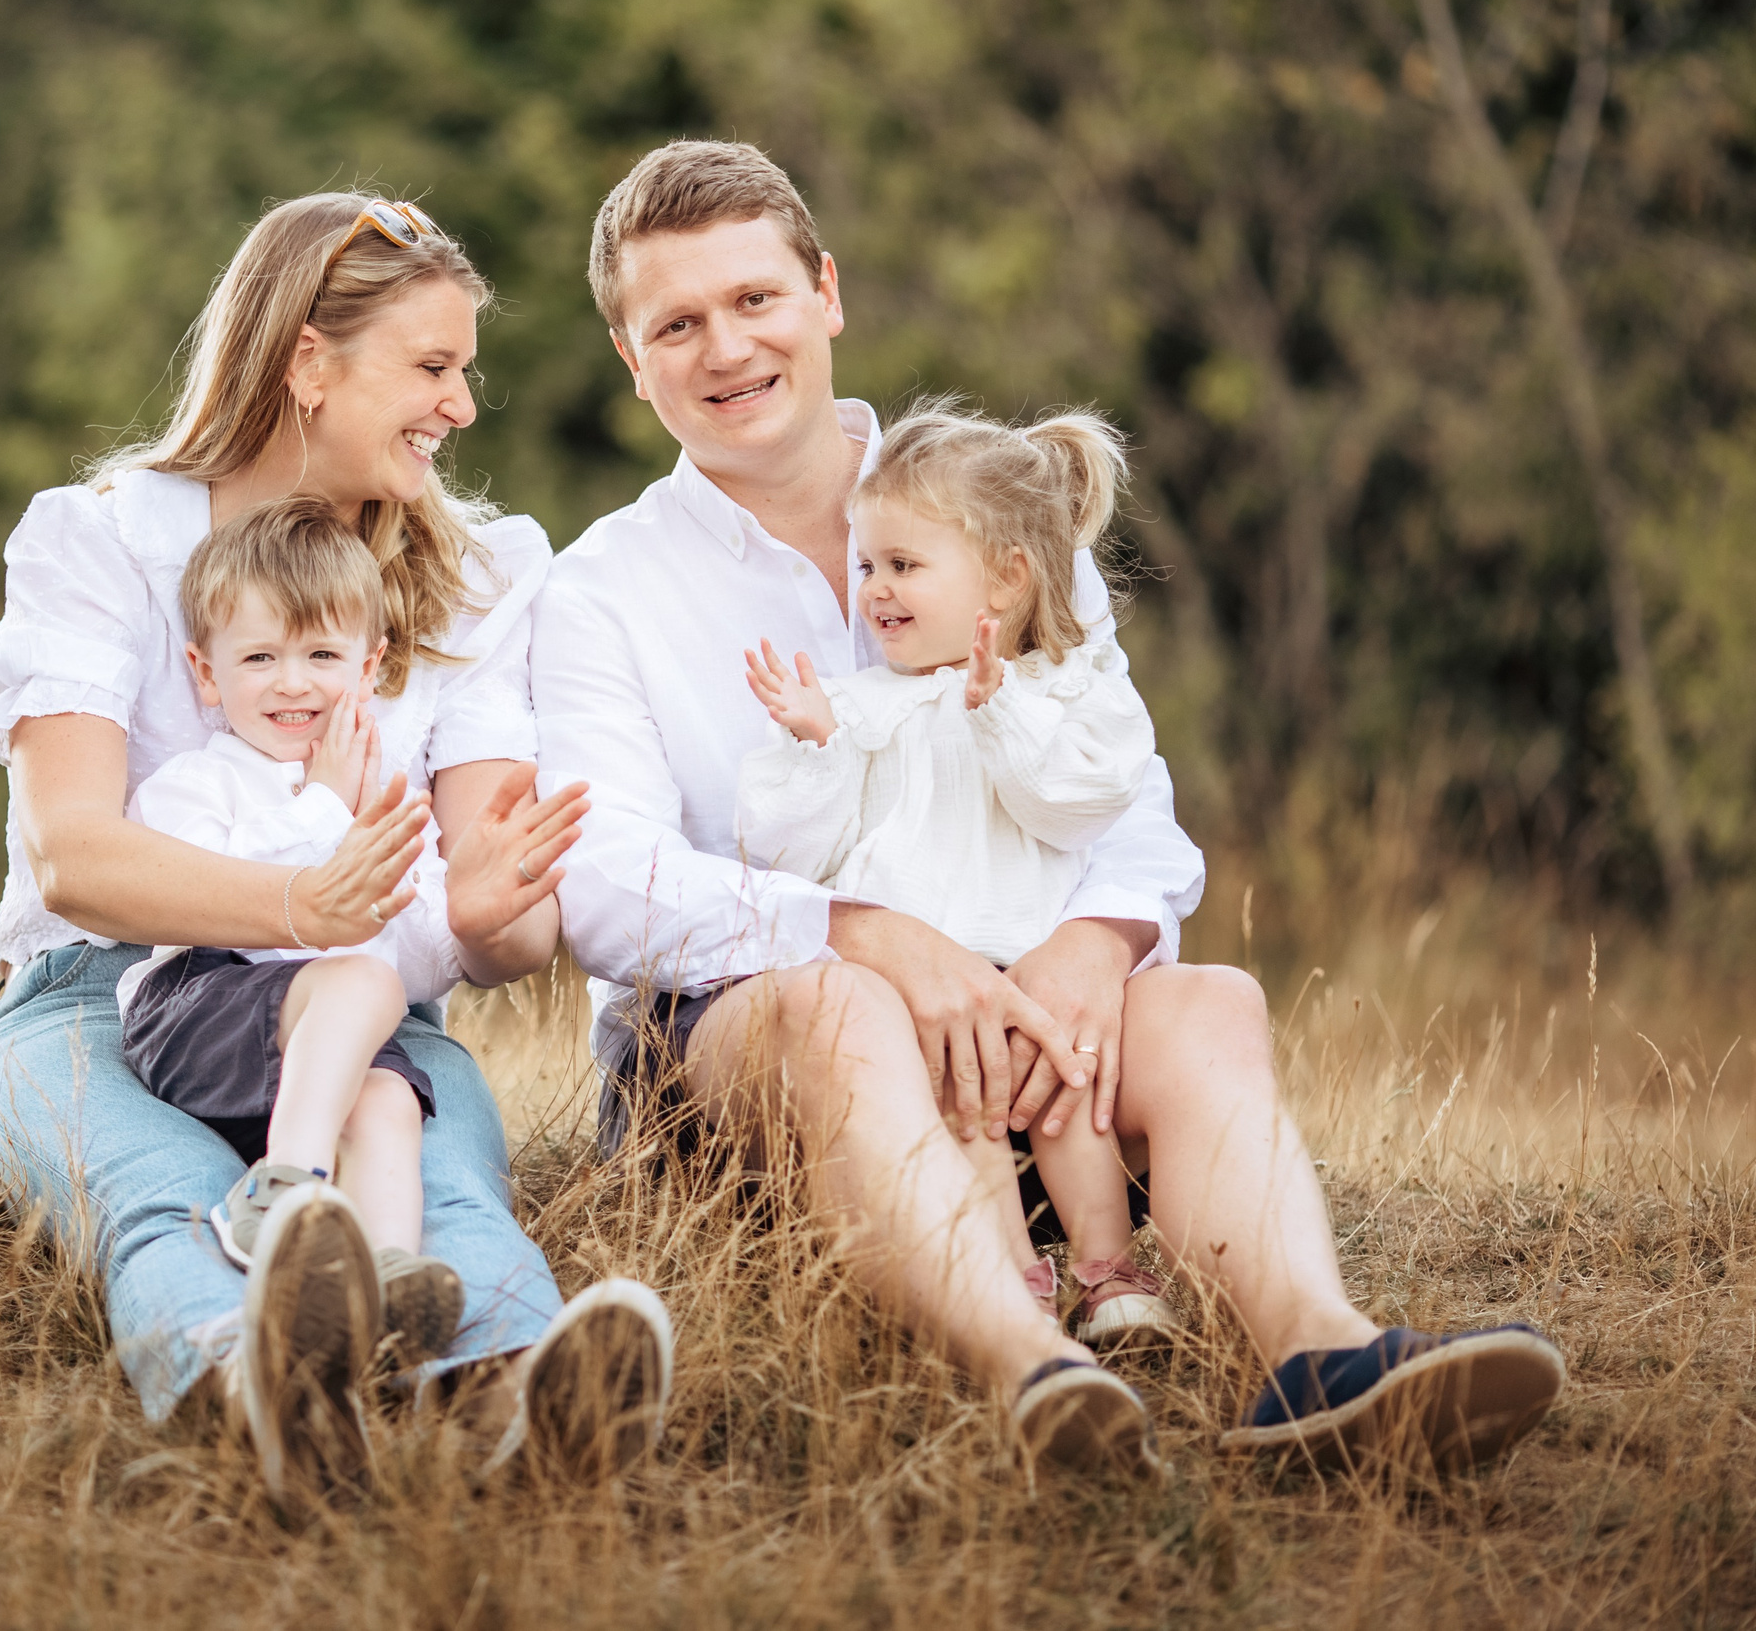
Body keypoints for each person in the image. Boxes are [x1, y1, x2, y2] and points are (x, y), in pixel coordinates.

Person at [534, 139, 1563, 1477]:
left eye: (755, 298)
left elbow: (1122, 797)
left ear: (825, 293)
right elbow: (603, 881)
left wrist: (1092, 946)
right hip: (749, 1063)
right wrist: (869, 937)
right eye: (677, 324)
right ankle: (1040, 1372)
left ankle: (1319, 1358)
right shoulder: (601, 590)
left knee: (1207, 1001)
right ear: (632, 358)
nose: (726, 347)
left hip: (1024, 1040)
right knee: (837, 1008)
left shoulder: (996, 507)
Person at [0, 193, 673, 1507]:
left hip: (367, 998)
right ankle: (261, 1396)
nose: (461, 405)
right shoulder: (102, 542)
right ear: (308, 362)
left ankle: (526, 1395)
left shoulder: (472, 579)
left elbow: (499, 926)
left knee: (438, 1175)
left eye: (464, 370)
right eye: (432, 366)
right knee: (163, 1187)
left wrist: (496, 910)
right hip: (97, 991)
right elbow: (74, 857)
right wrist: (304, 900)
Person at [734, 396, 1180, 1352]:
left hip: (1036, 966)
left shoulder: (1063, 690)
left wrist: (998, 708)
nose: (876, 590)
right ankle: (1014, 1277)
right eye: (867, 565)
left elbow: (1082, 799)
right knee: (964, 1112)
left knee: (1070, 1101)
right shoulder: (861, 705)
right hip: (921, 986)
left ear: (1007, 578)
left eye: (904, 565)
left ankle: (1109, 1270)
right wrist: (817, 744)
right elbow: (791, 849)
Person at [116, 499, 468, 1364]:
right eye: (259, 657)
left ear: (369, 666)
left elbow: (418, 963)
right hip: (195, 1004)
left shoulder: (388, 801)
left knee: (388, 1096)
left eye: (321, 656)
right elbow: (231, 907)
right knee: (362, 983)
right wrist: (327, 810)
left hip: (322, 1041)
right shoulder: (195, 786)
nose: (292, 682)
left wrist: (456, 906)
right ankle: (284, 1189)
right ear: (207, 673)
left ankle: (384, 1274)